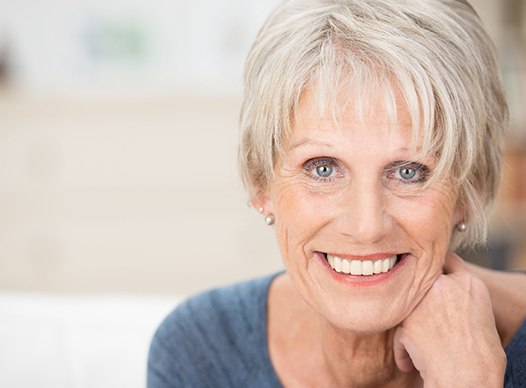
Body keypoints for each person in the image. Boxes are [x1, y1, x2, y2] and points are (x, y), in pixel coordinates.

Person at [148, 0, 526, 386]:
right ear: (260, 183)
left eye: (409, 172)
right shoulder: (203, 349)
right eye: (323, 169)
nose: (366, 227)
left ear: (471, 189)